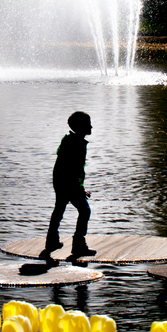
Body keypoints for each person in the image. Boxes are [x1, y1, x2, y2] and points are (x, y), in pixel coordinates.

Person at [40, 111, 97, 259]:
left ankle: (51, 242)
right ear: (80, 127)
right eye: (88, 124)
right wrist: (79, 189)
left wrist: (75, 187)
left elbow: (65, 167)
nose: (91, 126)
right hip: (68, 183)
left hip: (60, 182)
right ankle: (78, 245)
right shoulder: (77, 144)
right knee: (85, 211)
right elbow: (75, 169)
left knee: (59, 210)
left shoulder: (69, 140)